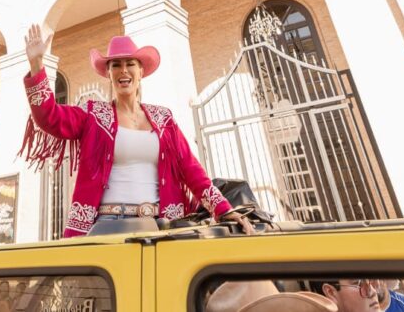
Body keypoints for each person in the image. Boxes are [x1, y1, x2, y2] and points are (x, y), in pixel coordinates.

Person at [18, 26, 253, 236]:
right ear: (108, 74)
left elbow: (191, 169)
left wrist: (224, 209)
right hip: (108, 225)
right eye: (116, 65)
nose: (123, 70)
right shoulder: (92, 115)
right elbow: (48, 116)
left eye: (130, 64)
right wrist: (36, 64)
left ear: (141, 72)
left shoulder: (164, 119)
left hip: (160, 225)